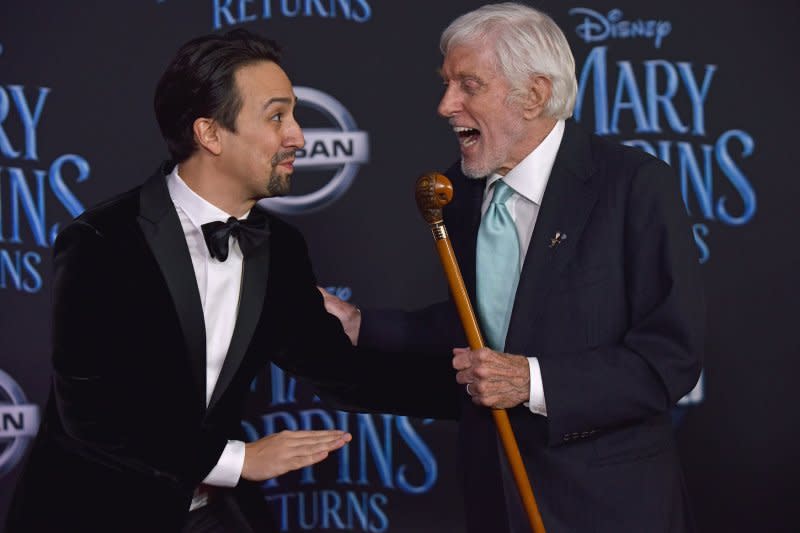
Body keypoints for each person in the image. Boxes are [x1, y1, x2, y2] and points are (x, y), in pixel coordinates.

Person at [6, 29, 457, 533]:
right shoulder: (102, 240)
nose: (298, 137)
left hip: (209, 516)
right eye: (277, 117)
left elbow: (340, 369)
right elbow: (92, 412)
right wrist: (240, 461)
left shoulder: (280, 247)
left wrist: (489, 393)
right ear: (211, 134)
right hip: (95, 511)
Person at [320, 3, 705, 532]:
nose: (445, 105)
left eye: (468, 85)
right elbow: (482, 322)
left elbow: (670, 358)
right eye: (447, 84)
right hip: (493, 497)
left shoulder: (633, 185)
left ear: (535, 94)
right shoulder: (458, 193)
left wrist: (534, 381)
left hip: (606, 504)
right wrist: (363, 326)